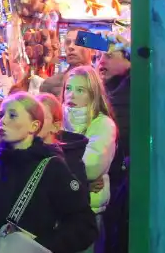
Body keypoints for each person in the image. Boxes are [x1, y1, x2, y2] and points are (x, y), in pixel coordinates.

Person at [0, 93, 97, 253]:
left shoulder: (52, 167)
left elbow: (84, 225)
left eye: (12, 115)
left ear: (34, 126)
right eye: (2, 114)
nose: (3, 121)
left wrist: (41, 247)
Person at [62, 66, 117, 252]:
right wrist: (81, 182)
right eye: (68, 89)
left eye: (80, 90)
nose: (71, 95)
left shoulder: (103, 124)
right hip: (56, 212)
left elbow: (92, 167)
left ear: (93, 95)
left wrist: (59, 170)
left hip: (89, 213)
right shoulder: (54, 120)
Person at [96, 36, 130, 253]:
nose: (101, 61)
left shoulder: (134, 86)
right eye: (99, 56)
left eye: (109, 56)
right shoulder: (108, 89)